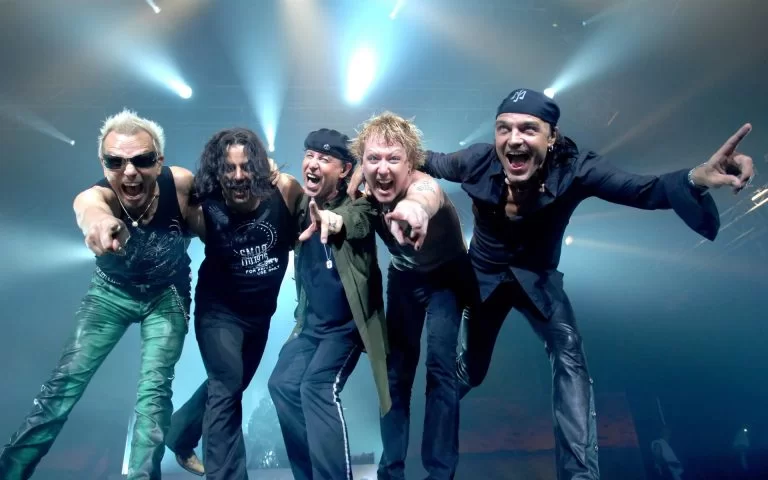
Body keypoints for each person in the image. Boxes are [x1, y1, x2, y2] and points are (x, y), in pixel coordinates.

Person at [415, 88, 754, 479]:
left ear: (551, 137)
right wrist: (365, 160)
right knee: (471, 372)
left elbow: (643, 190)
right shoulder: (476, 160)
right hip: (484, 278)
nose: (514, 139)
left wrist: (696, 177)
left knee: (569, 354)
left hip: (538, 278)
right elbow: (423, 159)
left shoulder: (575, 168)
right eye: (504, 128)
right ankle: (432, 436)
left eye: (528, 129)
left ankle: (580, 475)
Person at [0, 109, 196, 479]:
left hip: (166, 294)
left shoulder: (181, 183)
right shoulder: (94, 196)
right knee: (61, 387)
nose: (130, 171)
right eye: (115, 162)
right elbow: (89, 211)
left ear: (159, 161)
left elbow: (227, 202)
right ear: (103, 164)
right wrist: (102, 223)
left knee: (154, 394)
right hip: (110, 293)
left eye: (142, 160)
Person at [165, 127, 302, 480]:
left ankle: (179, 432)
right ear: (217, 172)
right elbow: (164, 193)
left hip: (259, 317)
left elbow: (311, 239)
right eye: (229, 168)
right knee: (227, 385)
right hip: (218, 313)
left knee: (229, 384)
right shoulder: (204, 208)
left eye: (246, 167)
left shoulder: (284, 192)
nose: (238, 176)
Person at [349, 112, 474, 480]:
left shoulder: (424, 185)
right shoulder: (365, 187)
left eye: (394, 159)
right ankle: (391, 472)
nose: (382, 168)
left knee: (440, 370)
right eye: (373, 158)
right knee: (395, 376)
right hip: (404, 278)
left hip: (447, 280)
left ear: (411, 163)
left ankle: (440, 473)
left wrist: (413, 211)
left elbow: (424, 197)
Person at [267, 128, 391, 480]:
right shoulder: (300, 206)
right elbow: (279, 186)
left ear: (344, 170)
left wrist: (334, 220)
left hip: (347, 329)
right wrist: (267, 171)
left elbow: (355, 222)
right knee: (282, 385)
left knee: (316, 387)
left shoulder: (360, 205)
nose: (313, 164)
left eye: (324, 159)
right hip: (310, 327)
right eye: (309, 155)